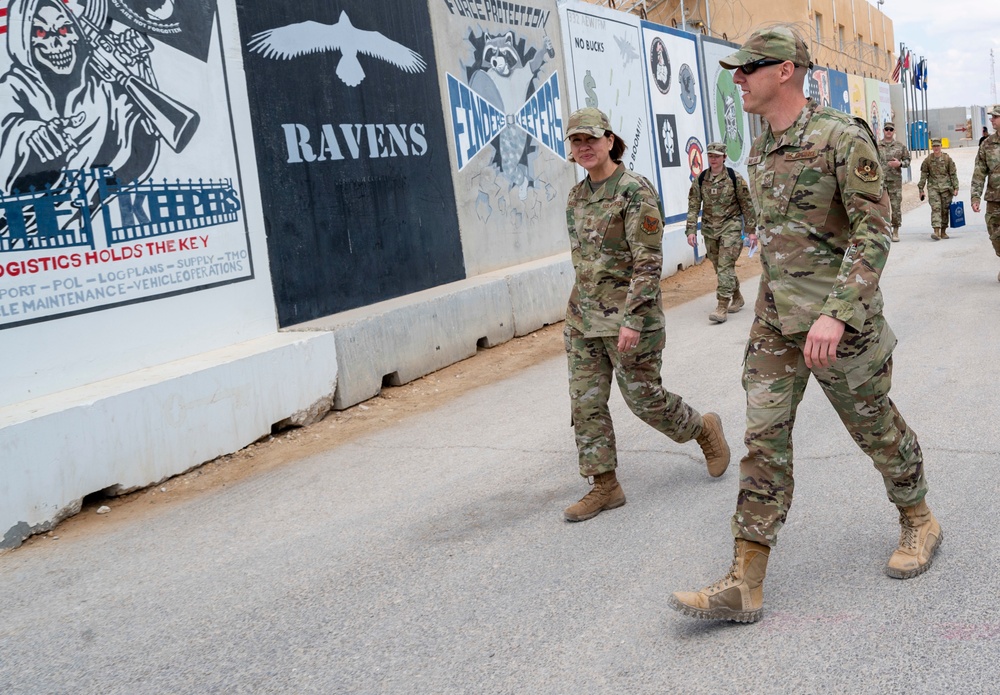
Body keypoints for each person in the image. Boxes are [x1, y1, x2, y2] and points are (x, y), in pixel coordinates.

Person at [669, 26, 939, 623]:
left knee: (875, 429)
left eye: (747, 69)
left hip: (841, 323)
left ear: (784, 70)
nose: (736, 79)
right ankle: (746, 579)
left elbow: (873, 233)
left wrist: (836, 314)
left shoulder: (842, 138)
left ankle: (919, 518)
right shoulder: (760, 147)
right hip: (775, 319)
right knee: (763, 438)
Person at [561, 107, 731, 522]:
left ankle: (702, 429)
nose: (584, 147)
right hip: (583, 319)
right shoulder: (576, 197)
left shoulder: (634, 191)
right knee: (585, 403)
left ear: (609, 140)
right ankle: (604, 484)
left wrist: (633, 319)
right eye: (576, 141)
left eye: (591, 139)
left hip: (629, 318)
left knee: (644, 400)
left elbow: (648, 261)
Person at [685, 142, 757, 323]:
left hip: (731, 227)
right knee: (721, 267)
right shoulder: (701, 179)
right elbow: (693, 206)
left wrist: (751, 231)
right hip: (710, 230)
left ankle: (722, 306)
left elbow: (747, 206)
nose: (713, 159)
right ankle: (737, 296)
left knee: (725, 266)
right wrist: (691, 230)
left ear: (724, 157)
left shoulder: (735, 178)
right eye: (710, 156)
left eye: (717, 156)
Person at [971, 105, 1000, 282]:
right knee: (995, 236)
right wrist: (975, 196)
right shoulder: (987, 144)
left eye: (995, 117)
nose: (992, 120)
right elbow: (979, 172)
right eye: (991, 117)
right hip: (994, 199)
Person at [917, 138, 959, 240]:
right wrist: (921, 189)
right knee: (936, 208)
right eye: (934, 146)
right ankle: (936, 231)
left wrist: (956, 187)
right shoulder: (928, 160)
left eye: (938, 146)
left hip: (946, 188)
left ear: (941, 146)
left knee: (945, 210)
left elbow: (953, 174)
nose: (936, 148)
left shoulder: (947, 159)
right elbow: (923, 175)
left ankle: (943, 231)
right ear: (932, 147)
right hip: (933, 188)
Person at [879, 121, 910, 242]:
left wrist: (900, 163)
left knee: (895, 207)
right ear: (883, 130)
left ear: (894, 131)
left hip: (895, 182)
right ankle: (884, 231)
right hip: (880, 182)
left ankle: (895, 230)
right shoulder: (877, 146)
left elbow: (907, 161)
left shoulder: (900, 146)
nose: (888, 131)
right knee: (881, 208)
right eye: (886, 129)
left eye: (891, 130)